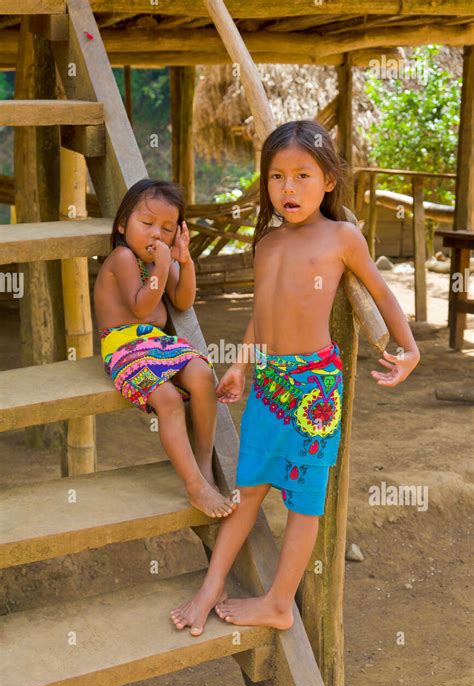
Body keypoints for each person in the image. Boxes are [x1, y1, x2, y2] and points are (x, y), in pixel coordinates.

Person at [170, 120, 420, 635]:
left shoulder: (342, 237)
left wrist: (410, 347)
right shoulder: (266, 244)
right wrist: (240, 363)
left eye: (303, 175)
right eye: (277, 176)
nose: (288, 188)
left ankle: (279, 602)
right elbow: (262, 313)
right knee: (251, 487)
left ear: (329, 180)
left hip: (314, 390)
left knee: (305, 500)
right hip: (270, 385)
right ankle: (210, 587)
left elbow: (383, 293)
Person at [94, 178, 235, 519]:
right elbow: (142, 307)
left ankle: (202, 460)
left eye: (167, 228)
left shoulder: (159, 261)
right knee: (169, 400)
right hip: (124, 347)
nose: (157, 234)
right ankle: (193, 484)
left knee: (202, 373)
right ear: (123, 224)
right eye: (147, 223)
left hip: (157, 345)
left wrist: (183, 262)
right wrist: (162, 265)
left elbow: (184, 301)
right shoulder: (124, 258)